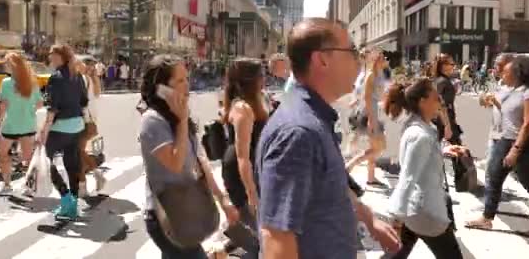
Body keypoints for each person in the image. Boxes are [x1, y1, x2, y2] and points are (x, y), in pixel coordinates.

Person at [255, 18, 400, 259]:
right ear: (322, 59)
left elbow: (334, 183)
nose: (358, 59)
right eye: (352, 51)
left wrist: (368, 218)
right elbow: (277, 239)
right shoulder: (298, 133)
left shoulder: (315, 119)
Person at [139, 54, 239, 259]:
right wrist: (182, 120)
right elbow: (174, 163)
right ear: (161, 87)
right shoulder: (153, 121)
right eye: (179, 80)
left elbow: (199, 159)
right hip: (167, 215)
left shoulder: (177, 115)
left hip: (188, 208)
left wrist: (222, 199)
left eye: (187, 78)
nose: (187, 85)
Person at [466, 55, 529, 237]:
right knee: (494, 177)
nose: (501, 74)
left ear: (518, 73)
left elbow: (528, 123)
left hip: (521, 144)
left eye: (506, 72)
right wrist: (491, 101)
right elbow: (508, 113)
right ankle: (487, 218)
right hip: (504, 140)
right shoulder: (512, 90)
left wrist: (515, 150)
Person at [384, 80, 464, 259]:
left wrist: (442, 150)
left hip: (415, 209)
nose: (440, 102)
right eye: (436, 98)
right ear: (422, 101)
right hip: (425, 211)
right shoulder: (420, 135)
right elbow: (408, 178)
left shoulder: (422, 127)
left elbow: (420, 158)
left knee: (396, 254)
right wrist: (396, 219)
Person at [221, 58, 267, 257]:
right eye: (261, 75)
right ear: (251, 80)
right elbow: (242, 156)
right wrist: (251, 193)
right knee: (256, 220)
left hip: (248, 166)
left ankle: (226, 248)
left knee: (255, 223)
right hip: (240, 170)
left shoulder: (250, 102)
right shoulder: (243, 109)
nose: (264, 78)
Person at [39, 44, 89, 219]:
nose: (49, 57)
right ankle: (73, 203)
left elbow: (52, 108)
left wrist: (44, 130)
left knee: (49, 163)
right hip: (77, 126)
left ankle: (66, 199)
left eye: (52, 54)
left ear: (60, 56)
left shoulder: (56, 78)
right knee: (71, 165)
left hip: (60, 127)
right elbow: (84, 101)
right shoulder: (78, 76)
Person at [0, 52, 43, 196]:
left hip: (11, 124)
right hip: (28, 124)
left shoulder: (6, 83)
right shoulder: (32, 82)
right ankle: (29, 187)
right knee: (28, 157)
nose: (4, 65)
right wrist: (28, 110)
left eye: (6, 63)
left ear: (13, 66)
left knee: (3, 153)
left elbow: (3, 106)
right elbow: (40, 103)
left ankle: (7, 185)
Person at [345, 50, 389, 186]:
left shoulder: (379, 74)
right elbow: (367, 97)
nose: (386, 59)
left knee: (374, 147)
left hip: (375, 112)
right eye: (383, 57)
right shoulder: (371, 75)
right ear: (377, 60)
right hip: (371, 113)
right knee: (379, 147)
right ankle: (348, 167)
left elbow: (379, 95)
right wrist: (371, 119)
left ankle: (371, 177)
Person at [76, 59, 106, 197]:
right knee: (79, 153)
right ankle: (83, 186)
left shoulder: (83, 79)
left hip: (84, 120)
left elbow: (82, 102)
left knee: (78, 152)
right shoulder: (92, 80)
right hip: (90, 120)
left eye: (77, 63)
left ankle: (95, 176)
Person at [432, 54, 459, 144]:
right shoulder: (443, 81)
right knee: (458, 152)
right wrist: (447, 125)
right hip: (443, 120)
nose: (453, 67)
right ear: (444, 66)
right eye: (451, 64)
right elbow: (441, 104)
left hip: (443, 120)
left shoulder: (440, 80)